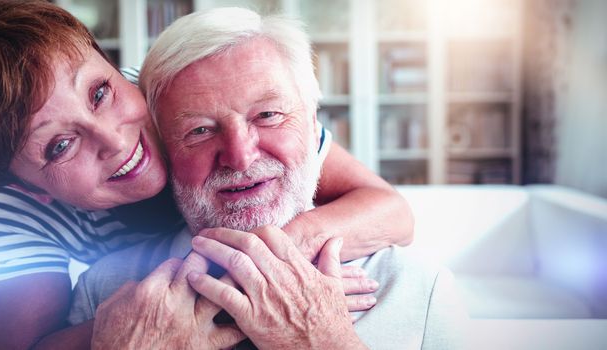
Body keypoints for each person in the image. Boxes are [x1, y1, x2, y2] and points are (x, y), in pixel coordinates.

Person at [0, 1, 414, 349]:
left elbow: (392, 212)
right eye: (61, 145)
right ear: (27, 188)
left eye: (100, 92)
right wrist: (133, 330)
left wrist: (271, 258)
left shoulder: (186, 98)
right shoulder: (22, 214)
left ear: (111, 66)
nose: (115, 139)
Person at [68, 6, 466, 349]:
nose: (240, 158)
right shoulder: (102, 295)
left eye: (268, 115)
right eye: (200, 131)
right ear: (168, 152)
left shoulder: (420, 289)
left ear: (314, 128)